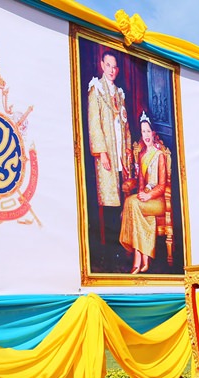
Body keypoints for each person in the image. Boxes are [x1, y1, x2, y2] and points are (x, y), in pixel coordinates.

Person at [87, 49, 133, 241]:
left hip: (121, 153)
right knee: (109, 200)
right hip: (107, 153)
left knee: (124, 198)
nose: (112, 70)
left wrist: (129, 149)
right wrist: (102, 153)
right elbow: (94, 123)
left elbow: (126, 125)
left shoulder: (120, 94)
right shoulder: (96, 89)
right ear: (102, 65)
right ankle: (112, 247)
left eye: (115, 67)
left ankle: (125, 245)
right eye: (108, 66)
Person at [119, 111, 167, 274]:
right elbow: (140, 184)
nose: (146, 135)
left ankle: (138, 259)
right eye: (143, 131)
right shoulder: (142, 156)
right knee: (133, 203)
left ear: (153, 133)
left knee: (131, 203)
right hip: (145, 201)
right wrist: (141, 193)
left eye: (148, 131)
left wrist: (148, 195)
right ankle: (142, 259)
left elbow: (162, 186)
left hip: (158, 201)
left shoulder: (159, 156)